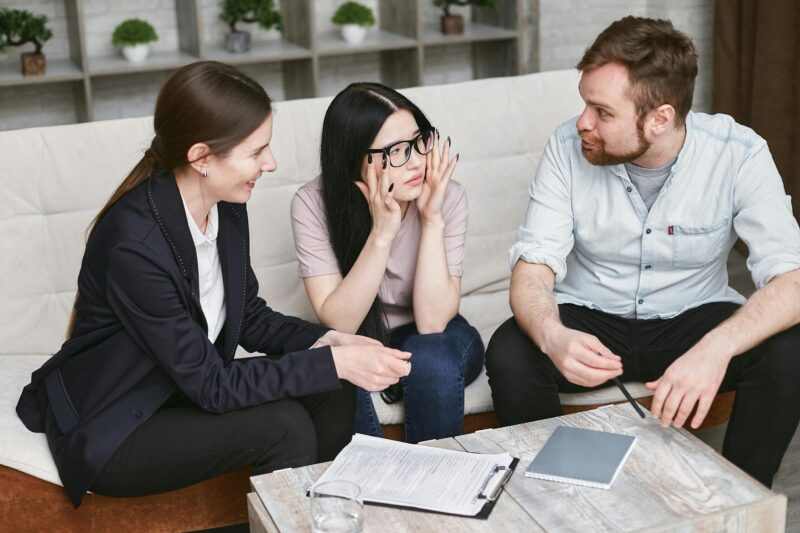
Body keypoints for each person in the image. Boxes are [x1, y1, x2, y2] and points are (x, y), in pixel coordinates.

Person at [15, 61, 411, 508]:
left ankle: (323, 514)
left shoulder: (226, 202)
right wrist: (332, 361)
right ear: (202, 157)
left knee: (333, 385)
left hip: (177, 388)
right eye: (256, 151)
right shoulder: (135, 245)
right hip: (118, 420)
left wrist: (329, 342)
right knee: (286, 424)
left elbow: (248, 315)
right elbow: (213, 385)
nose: (271, 163)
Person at [485, 16, 800, 487]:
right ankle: (556, 493)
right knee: (511, 348)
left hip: (692, 320)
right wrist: (553, 336)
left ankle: (740, 495)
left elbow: (792, 280)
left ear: (660, 118)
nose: (582, 122)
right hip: (592, 318)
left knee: (791, 349)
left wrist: (717, 348)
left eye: (602, 112)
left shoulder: (739, 153)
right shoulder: (566, 147)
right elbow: (533, 268)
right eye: (584, 104)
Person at [290, 82, 485, 444]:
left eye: (419, 141)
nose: (415, 161)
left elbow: (432, 323)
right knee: (334, 369)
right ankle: (372, 484)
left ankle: (435, 485)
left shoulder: (447, 196)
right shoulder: (312, 205)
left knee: (432, 361)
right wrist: (382, 233)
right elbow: (340, 323)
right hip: (359, 335)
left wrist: (431, 219)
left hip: (437, 335)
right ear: (353, 158)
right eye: (395, 151)